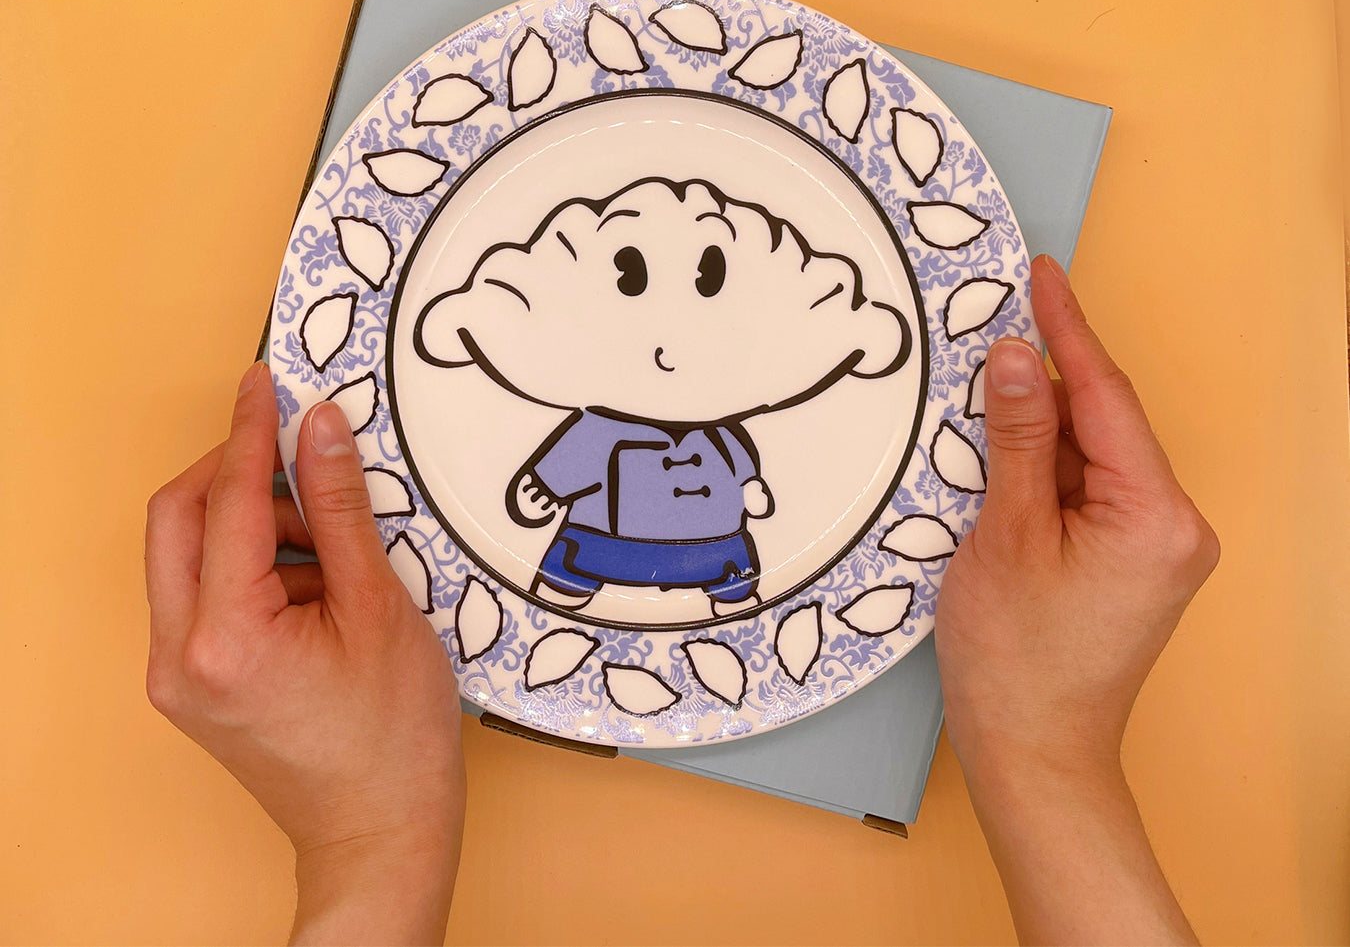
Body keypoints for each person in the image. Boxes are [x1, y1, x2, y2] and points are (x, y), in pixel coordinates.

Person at [144, 256, 1219, 945]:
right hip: (600, 545)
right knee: (585, 555)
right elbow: (562, 471)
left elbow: (745, 475)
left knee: (708, 561)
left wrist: (369, 842)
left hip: (716, 556)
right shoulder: (596, 426)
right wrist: (1051, 754)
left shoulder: (720, 428)